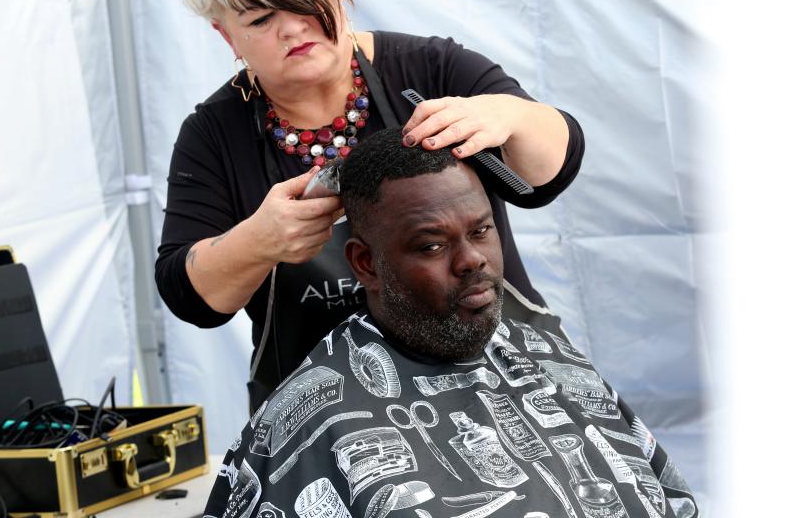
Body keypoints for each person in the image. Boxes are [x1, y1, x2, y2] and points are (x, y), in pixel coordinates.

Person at [157, 0, 585, 410]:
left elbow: (549, 175)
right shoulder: (214, 134)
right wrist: (258, 242)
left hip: (500, 380)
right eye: (260, 19)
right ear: (228, 38)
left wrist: (512, 115)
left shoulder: (432, 69)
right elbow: (190, 296)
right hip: (324, 416)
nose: (292, 27)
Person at [203, 129, 698, 518]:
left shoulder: (551, 358)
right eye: (432, 246)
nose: (472, 261)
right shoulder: (314, 422)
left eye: (481, 231)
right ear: (366, 264)